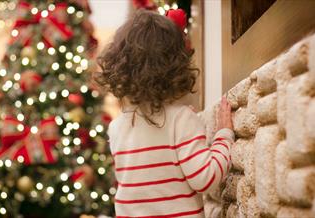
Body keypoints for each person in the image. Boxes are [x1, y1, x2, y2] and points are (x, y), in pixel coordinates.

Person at [95, 9, 234, 218]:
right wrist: (223, 136)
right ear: (176, 65)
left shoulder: (116, 127)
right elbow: (205, 179)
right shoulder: (181, 119)